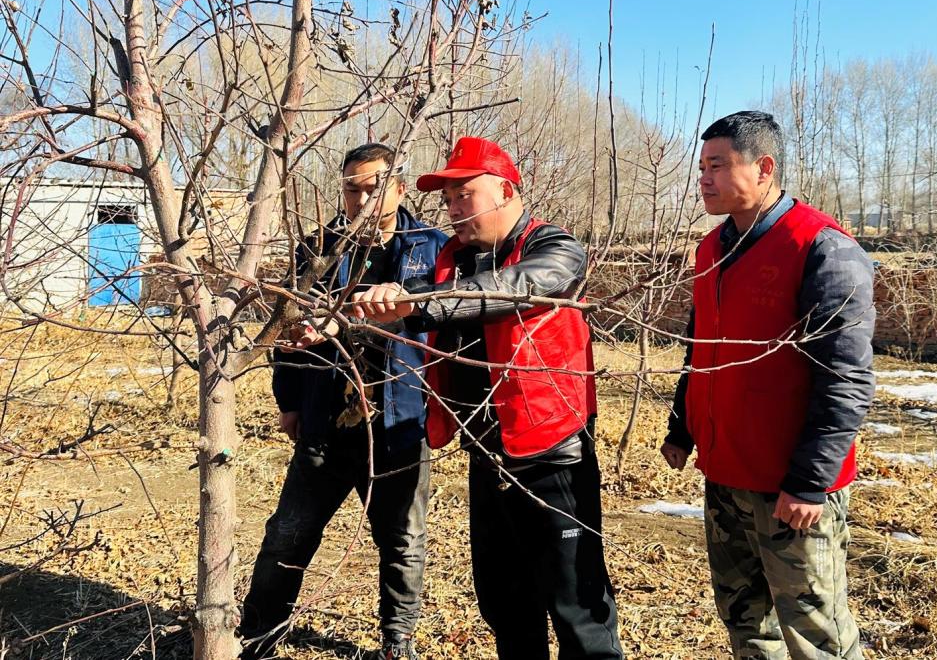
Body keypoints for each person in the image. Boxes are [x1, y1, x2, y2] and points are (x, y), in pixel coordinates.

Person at [354, 136, 624, 660]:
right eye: (449, 200)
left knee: (579, 608)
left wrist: (418, 304)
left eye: (465, 196)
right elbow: (399, 307)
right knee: (505, 601)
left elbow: (516, 288)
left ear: (505, 190)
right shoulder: (452, 259)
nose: (454, 210)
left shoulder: (555, 248)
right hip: (487, 452)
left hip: (552, 455)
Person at [661, 111, 875, 660]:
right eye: (701, 167)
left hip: (791, 488)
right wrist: (682, 427)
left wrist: (810, 482)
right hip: (726, 473)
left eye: (717, 166)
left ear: (764, 168)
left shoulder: (821, 247)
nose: (703, 179)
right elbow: (701, 347)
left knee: (815, 629)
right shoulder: (711, 250)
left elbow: (847, 378)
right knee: (745, 619)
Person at [239, 143, 447, 660]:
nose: (361, 198)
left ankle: (397, 642)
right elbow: (285, 328)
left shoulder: (433, 248)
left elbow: (451, 324)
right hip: (325, 421)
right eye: (351, 187)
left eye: (373, 186)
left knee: (402, 540)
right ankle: (258, 634)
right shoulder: (318, 249)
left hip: (400, 422)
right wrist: (288, 399)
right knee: (287, 535)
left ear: (398, 187)